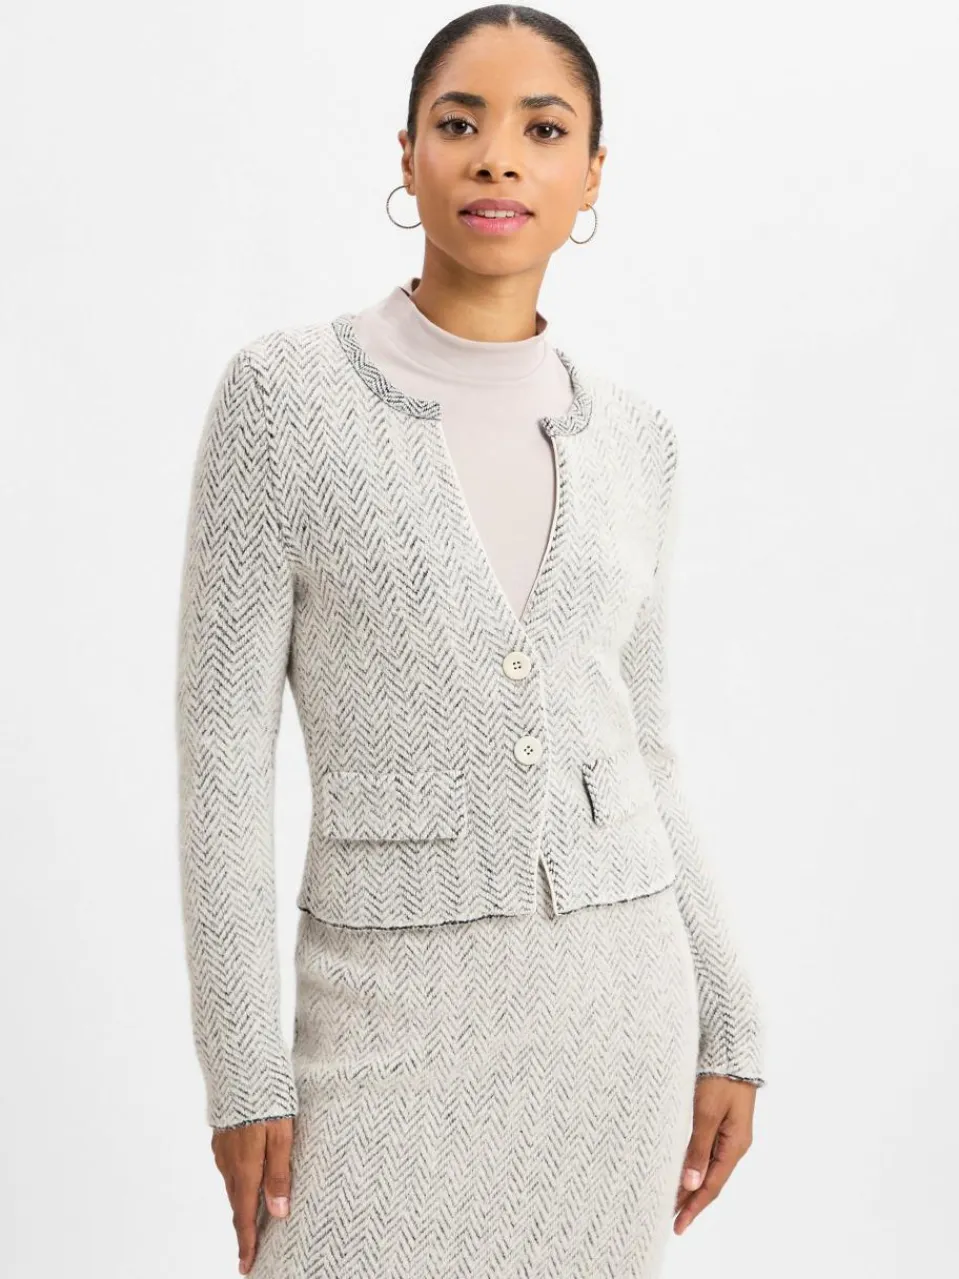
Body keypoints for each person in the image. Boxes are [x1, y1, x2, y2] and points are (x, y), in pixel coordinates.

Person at [174, 6, 766, 1277]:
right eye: (460, 122)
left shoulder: (638, 442)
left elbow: (647, 750)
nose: (498, 155)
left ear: (590, 176)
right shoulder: (282, 400)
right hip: (375, 1015)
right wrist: (242, 1069)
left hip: (615, 1016)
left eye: (542, 131)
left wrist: (731, 1020)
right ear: (407, 154)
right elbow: (223, 765)